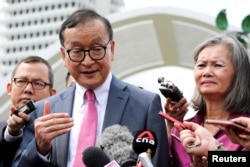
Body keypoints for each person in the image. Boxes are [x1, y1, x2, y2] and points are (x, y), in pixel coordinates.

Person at [12, 9, 168, 167]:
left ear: (111, 49)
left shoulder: (145, 105)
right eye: (77, 51)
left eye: (96, 49)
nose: (87, 61)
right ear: (64, 56)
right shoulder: (42, 112)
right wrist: (40, 148)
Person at [167, 33, 250, 167]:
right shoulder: (180, 129)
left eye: (217, 65)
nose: (206, 72)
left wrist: (216, 154)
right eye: (201, 65)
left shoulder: (246, 129)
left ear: (239, 74)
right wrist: (169, 128)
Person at [0, 56, 56, 167]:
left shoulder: (62, 132)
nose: (28, 89)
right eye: (21, 81)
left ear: (52, 94)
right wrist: (11, 134)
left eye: (38, 83)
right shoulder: (3, 131)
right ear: (9, 89)